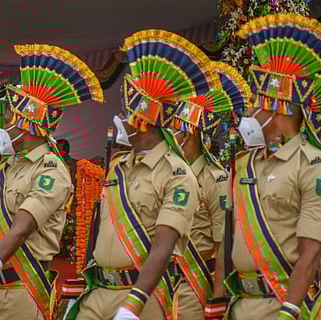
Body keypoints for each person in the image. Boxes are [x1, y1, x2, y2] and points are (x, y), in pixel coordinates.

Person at [66, 30, 225, 320]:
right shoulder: (118, 166)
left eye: (128, 111)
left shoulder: (182, 175)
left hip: (164, 286)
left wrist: (135, 304)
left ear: (142, 120)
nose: (122, 119)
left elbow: (193, 245)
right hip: (101, 290)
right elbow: (102, 231)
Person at [0, 44, 104, 320]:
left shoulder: (51, 171)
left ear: (28, 125)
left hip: (18, 291)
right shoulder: (6, 167)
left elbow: (22, 227)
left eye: (9, 122)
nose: (3, 129)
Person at [213, 14, 321, 320]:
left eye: (256, 102)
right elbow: (228, 241)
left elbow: (311, 253)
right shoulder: (244, 164)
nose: (250, 111)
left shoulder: (316, 166)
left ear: (278, 105)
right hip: (240, 304)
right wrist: (216, 304)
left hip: (284, 305)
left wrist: (289, 312)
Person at [169, 62, 250, 320]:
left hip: (195, 278)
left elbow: (222, 242)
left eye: (178, 130)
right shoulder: (167, 172)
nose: (172, 135)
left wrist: (218, 297)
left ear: (192, 134)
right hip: (162, 278)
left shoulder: (216, 179)